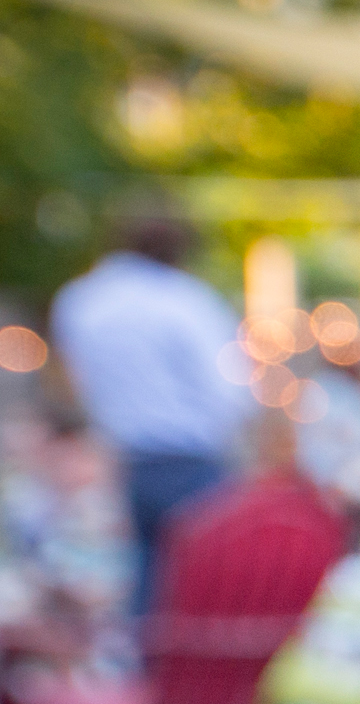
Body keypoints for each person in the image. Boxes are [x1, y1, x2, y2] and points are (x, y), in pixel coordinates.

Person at [48, 211, 250, 616]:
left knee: (144, 589)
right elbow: (231, 392)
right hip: (191, 461)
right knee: (200, 594)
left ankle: (149, 674)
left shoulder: (82, 300)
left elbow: (76, 380)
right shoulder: (187, 300)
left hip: (124, 461)